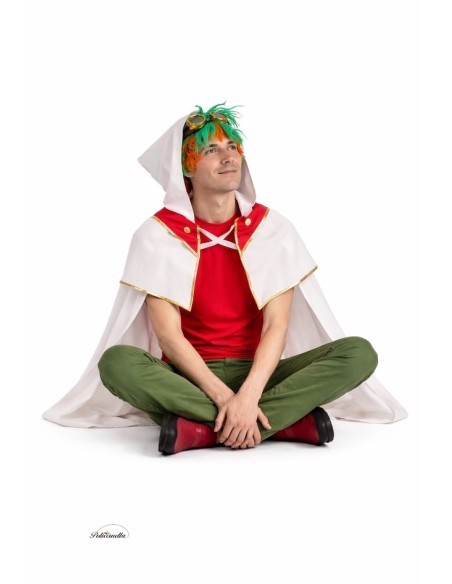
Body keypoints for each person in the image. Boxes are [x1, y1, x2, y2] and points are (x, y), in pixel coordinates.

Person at [43, 102, 407, 454]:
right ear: (185, 168)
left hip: (261, 374)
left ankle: (200, 431)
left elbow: (276, 327)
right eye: (211, 150)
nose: (228, 157)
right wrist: (225, 398)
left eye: (232, 147)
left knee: (358, 353)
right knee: (116, 363)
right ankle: (283, 423)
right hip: (187, 377)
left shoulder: (272, 229)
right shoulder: (157, 236)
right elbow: (169, 337)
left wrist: (248, 396)